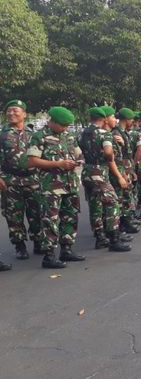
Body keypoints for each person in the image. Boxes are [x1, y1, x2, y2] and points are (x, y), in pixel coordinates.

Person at [26, 106, 86, 268]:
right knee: (50, 220)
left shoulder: (69, 136)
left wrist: (76, 162)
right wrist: (57, 164)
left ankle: (66, 249)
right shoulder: (39, 136)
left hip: (70, 184)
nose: (65, 128)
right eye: (63, 125)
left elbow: (79, 155)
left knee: (70, 216)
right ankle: (49, 255)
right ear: (52, 122)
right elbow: (32, 161)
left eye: (67, 125)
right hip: (50, 186)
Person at [78, 107, 131, 251]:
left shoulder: (82, 134)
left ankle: (100, 237)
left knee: (95, 205)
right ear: (104, 119)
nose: (115, 119)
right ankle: (114, 238)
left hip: (87, 171)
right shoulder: (104, 134)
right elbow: (108, 154)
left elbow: (78, 152)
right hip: (99, 172)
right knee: (112, 202)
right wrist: (111, 155)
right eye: (113, 117)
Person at [0, 99, 42, 262]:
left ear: (24, 114)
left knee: (36, 212)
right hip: (10, 180)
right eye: (8, 111)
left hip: (33, 179)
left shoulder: (34, 134)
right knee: (13, 216)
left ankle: (38, 241)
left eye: (15, 110)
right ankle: (20, 246)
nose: (11, 113)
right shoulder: (3, 134)